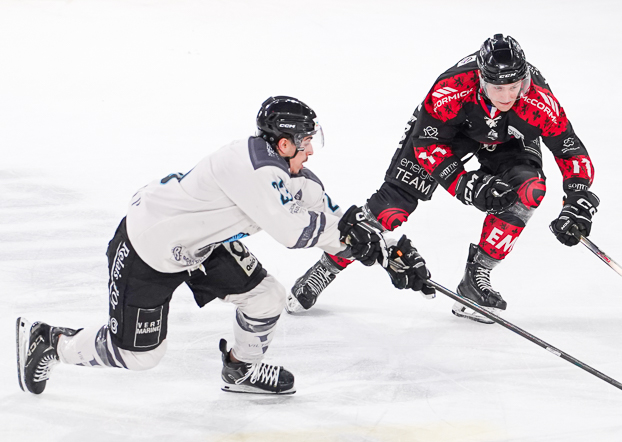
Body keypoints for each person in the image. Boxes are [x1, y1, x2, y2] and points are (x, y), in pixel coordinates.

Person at [16, 96, 432, 396]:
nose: (310, 149)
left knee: (266, 297)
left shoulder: (289, 172)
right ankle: (51, 342)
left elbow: (334, 215)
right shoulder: (251, 167)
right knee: (140, 356)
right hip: (150, 245)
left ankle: (240, 370)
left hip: (202, 246)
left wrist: (387, 248)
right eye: (304, 142)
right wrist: (359, 245)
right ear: (283, 143)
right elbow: (294, 232)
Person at [285, 34, 600, 323]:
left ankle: (475, 281)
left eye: (514, 86)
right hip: (449, 133)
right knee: (392, 206)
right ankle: (326, 268)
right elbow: (427, 145)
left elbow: (570, 148)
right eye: (497, 88)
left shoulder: (537, 101)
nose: (506, 96)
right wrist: (465, 185)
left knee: (529, 189)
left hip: (510, 137)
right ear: (480, 79)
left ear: (524, 80)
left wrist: (577, 199)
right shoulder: (451, 89)